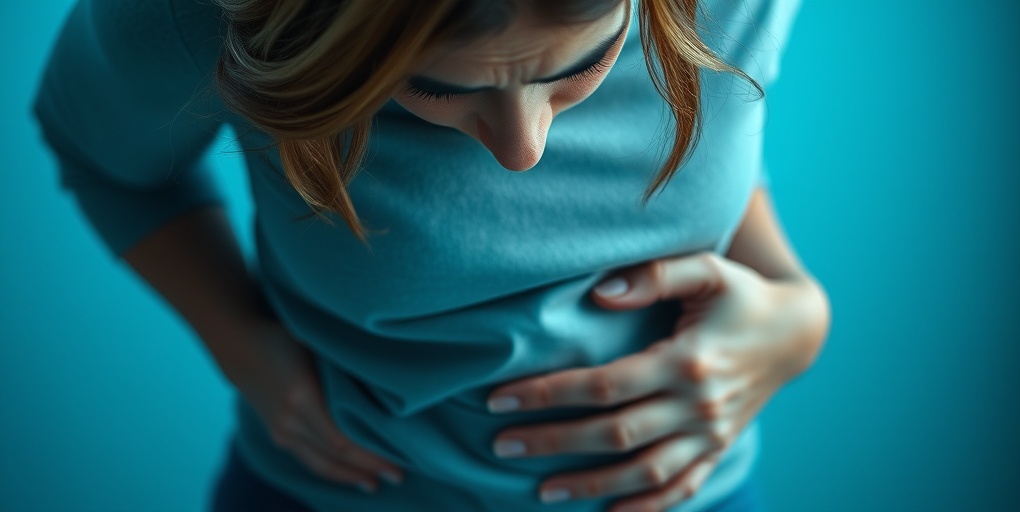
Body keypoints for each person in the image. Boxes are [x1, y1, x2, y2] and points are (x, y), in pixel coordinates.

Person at [31, 0, 829, 510]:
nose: (523, 149)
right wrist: (241, 344)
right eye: (441, 90)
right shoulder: (207, 16)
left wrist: (796, 309)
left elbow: (721, 140)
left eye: (581, 66)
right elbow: (99, 155)